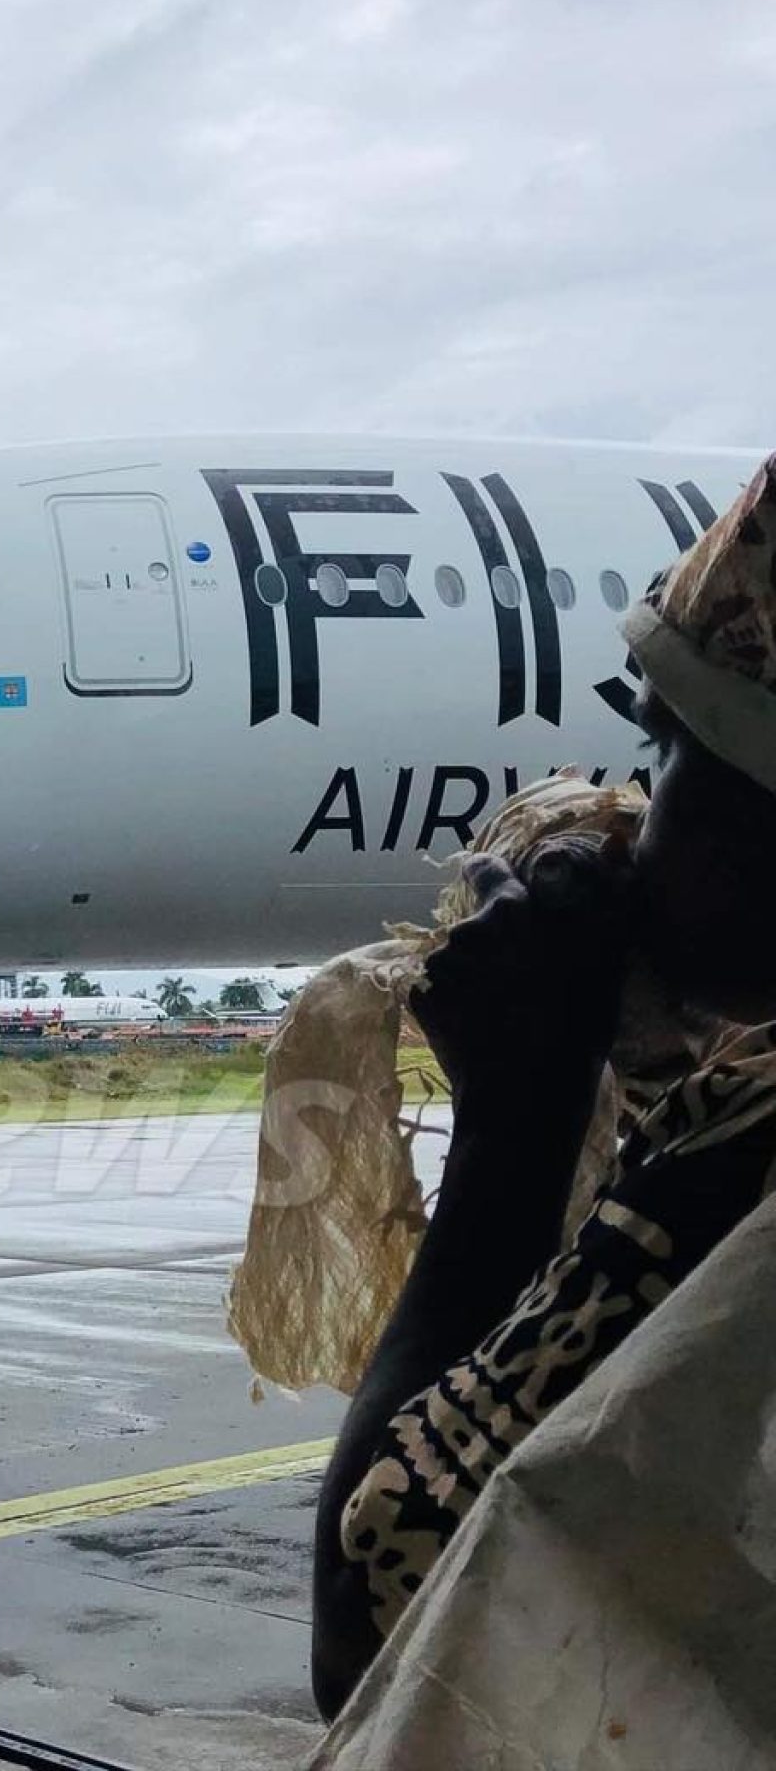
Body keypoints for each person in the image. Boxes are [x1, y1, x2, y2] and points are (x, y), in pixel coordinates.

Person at [311, 453, 776, 1721]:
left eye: (667, 750)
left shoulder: (739, 1150)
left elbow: (387, 1622)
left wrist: (517, 1122)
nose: (633, 803)